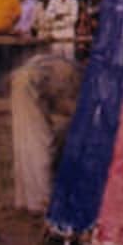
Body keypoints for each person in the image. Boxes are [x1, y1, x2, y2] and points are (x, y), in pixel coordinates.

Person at [10, 50, 84, 214]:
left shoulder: (72, 72)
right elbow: (73, 115)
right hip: (31, 81)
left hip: (27, 78)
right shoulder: (81, 86)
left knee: (26, 143)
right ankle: (41, 200)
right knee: (38, 144)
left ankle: (26, 199)